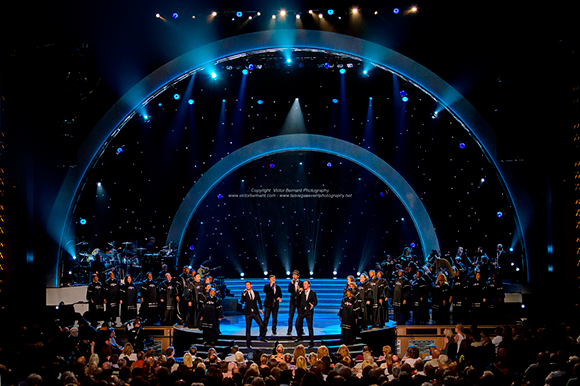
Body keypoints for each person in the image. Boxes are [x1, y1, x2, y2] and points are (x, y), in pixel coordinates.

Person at [241, 281, 267, 348]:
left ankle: (262, 336)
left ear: (251, 285)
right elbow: (241, 302)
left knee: (261, 324)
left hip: (255, 312)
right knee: (248, 328)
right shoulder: (244, 293)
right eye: (246, 285)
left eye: (248, 285)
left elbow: (259, 301)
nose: (247, 286)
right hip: (248, 313)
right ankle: (248, 342)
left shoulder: (256, 292)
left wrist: (260, 308)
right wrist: (244, 294)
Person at [295, 279, 318, 348]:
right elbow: (297, 300)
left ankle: (311, 342)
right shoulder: (302, 292)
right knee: (297, 324)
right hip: (302, 312)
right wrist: (299, 292)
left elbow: (315, 302)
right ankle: (299, 337)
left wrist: (313, 305)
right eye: (303, 284)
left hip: (309, 312)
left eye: (305, 284)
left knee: (310, 327)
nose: (303, 285)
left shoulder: (313, 293)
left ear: (308, 285)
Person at [287, 270, 303, 336]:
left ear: (298, 276)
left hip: (299, 302)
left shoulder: (301, 283)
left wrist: (300, 290)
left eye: (295, 275)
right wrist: (291, 284)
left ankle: (301, 330)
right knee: (291, 316)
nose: (293, 276)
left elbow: (303, 292)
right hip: (293, 302)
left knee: (300, 316)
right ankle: (289, 330)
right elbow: (289, 291)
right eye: (293, 275)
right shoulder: (291, 283)